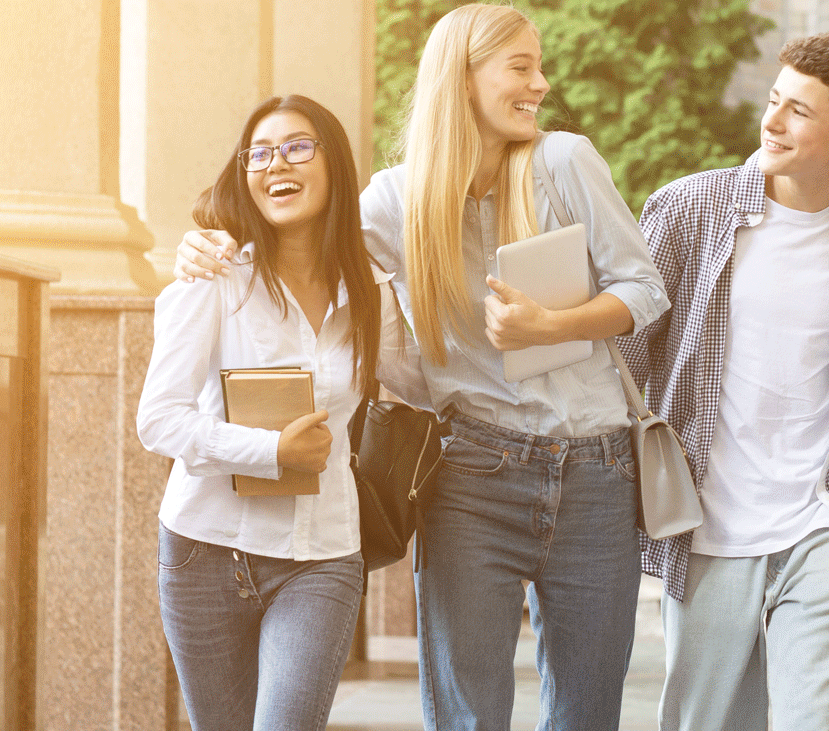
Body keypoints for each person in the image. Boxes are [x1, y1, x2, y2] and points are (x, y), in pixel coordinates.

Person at [171, 5, 670, 730]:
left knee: (587, 710)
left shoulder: (566, 162)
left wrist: (554, 324)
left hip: (599, 470)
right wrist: (205, 239)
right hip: (472, 473)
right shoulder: (393, 200)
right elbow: (300, 234)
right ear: (461, 79)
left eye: (538, 66)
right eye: (521, 67)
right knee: (467, 712)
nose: (541, 83)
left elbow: (644, 289)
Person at [614, 31, 829, 731]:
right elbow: (622, 356)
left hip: (826, 520)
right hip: (708, 525)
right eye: (775, 101)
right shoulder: (689, 211)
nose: (772, 122)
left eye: (799, 112)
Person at [137, 94, 425, 731]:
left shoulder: (372, 291)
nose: (275, 164)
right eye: (259, 153)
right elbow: (159, 419)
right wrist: (269, 454)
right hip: (204, 551)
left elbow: (426, 384)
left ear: (334, 167)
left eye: (297, 146)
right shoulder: (213, 278)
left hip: (322, 556)